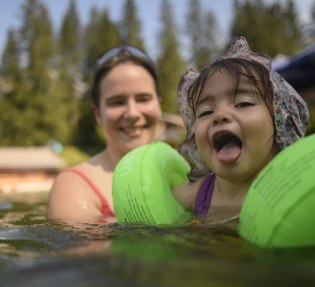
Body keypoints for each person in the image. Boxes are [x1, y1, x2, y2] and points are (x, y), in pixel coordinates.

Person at [173, 36, 309, 222]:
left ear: (279, 122)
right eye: (205, 112)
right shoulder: (198, 194)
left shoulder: (294, 186)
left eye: (243, 103)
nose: (220, 115)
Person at [47, 44, 162, 223]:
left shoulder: (189, 175)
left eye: (143, 99)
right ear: (98, 114)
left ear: (159, 105)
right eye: (117, 102)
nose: (132, 113)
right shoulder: (73, 185)